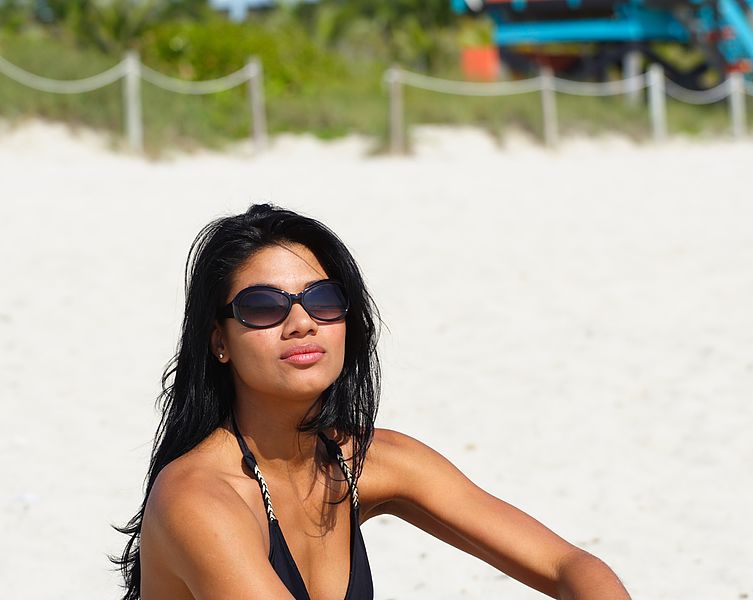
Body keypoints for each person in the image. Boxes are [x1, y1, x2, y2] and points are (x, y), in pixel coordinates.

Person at [110, 204, 631, 600]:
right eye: (263, 307)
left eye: (322, 300)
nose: (302, 323)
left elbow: (572, 568)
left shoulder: (368, 461)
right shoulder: (198, 499)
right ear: (219, 341)